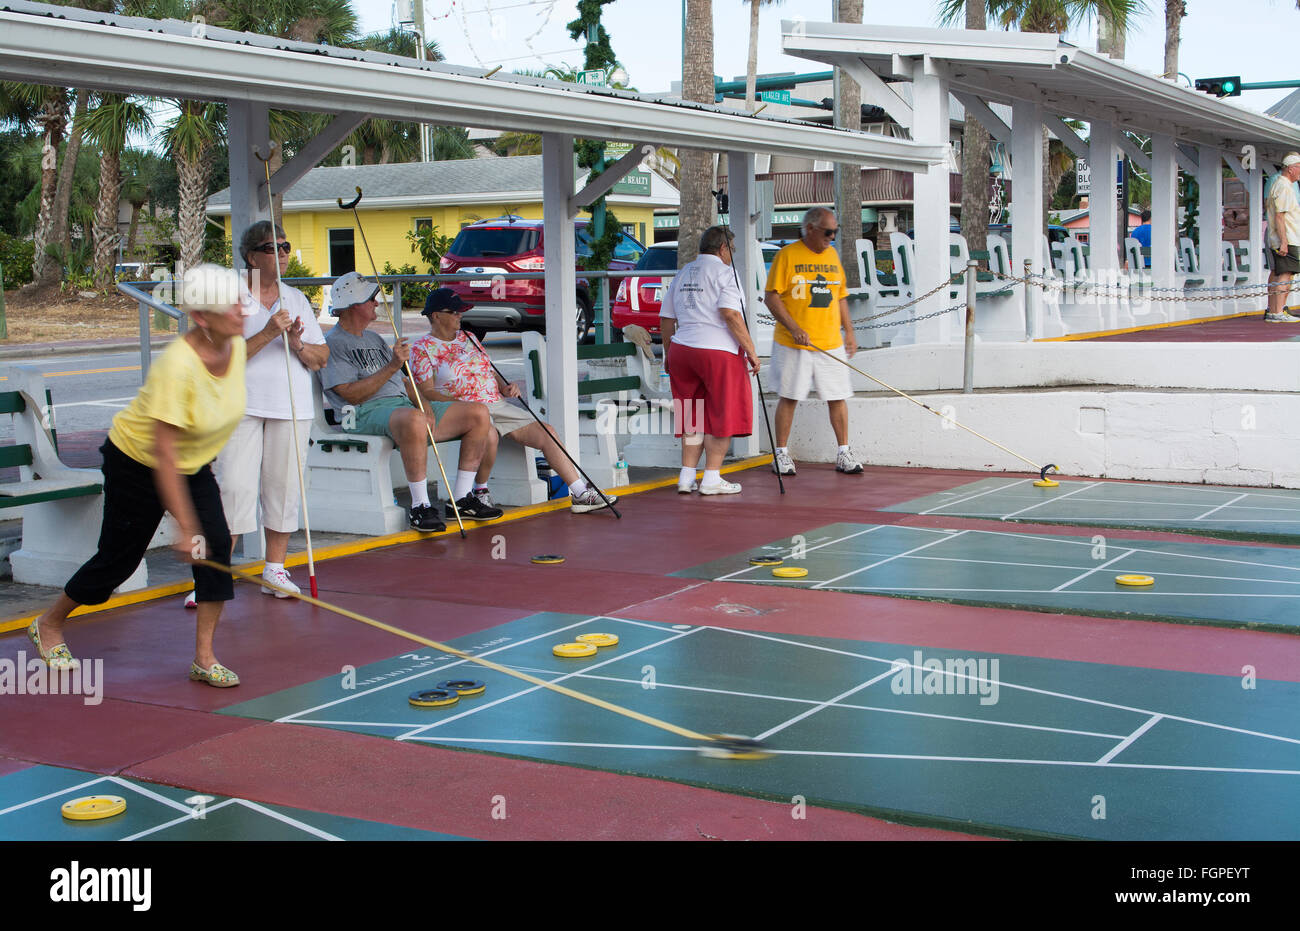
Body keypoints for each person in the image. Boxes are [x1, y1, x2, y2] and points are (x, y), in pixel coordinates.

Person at [29, 265, 248, 687]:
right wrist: (185, 528)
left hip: (193, 464)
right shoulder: (177, 368)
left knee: (216, 546)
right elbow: (162, 457)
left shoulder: (234, 345)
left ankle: (204, 657)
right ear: (201, 318)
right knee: (119, 560)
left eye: (241, 301)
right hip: (138, 462)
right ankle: (49, 623)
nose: (242, 311)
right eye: (230, 306)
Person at [186, 222, 328, 607]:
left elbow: (320, 358)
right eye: (273, 247)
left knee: (283, 489)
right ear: (251, 256)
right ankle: (214, 576)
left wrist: (297, 342)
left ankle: (275, 569)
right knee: (232, 488)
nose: (283, 253)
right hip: (240, 407)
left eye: (286, 245)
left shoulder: (295, 298)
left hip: (291, 407)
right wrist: (267, 333)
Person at [319, 272, 502, 530]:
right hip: (358, 413)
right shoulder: (334, 343)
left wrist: (422, 402)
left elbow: (405, 382)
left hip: (402, 409)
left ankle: (461, 498)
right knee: (415, 420)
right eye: (371, 298)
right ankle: (420, 506)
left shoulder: (373, 338)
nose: (376, 302)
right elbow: (350, 394)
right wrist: (393, 365)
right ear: (353, 305)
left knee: (478, 414)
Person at [410, 288, 618, 513]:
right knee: (488, 435)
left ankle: (580, 493)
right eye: (454, 312)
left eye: (461, 311)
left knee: (546, 432)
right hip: (464, 411)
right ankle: (480, 491)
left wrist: (505, 386)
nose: (460, 315)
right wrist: (464, 406)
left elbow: (488, 369)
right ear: (435, 315)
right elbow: (426, 391)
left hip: (497, 405)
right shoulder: (421, 348)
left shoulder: (468, 338)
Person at [658, 226, 760, 495]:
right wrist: (750, 349)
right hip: (717, 351)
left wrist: (668, 353)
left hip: (682, 349)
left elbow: (666, 319)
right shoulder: (727, 273)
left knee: (692, 413)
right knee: (721, 413)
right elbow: (730, 313)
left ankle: (687, 475)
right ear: (723, 249)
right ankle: (712, 476)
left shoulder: (683, 273)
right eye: (732, 249)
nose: (732, 255)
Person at [763, 206, 863, 476]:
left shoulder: (832, 255)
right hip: (794, 343)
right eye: (828, 232)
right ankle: (781, 454)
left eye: (835, 232)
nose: (831, 237)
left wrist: (849, 332)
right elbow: (771, 297)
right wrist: (793, 327)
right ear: (810, 229)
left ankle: (844, 452)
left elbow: (840, 295)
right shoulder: (787, 255)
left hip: (829, 342)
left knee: (838, 396)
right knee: (790, 396)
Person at [1265, 153, 1300, 323]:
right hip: (1287, 237)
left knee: (1279, 273)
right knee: (1285, 273)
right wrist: (1284, 242)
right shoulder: (1284, 187)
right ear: (1291, 168)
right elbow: (1280, 216)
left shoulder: (1279, 184)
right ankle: (1278, 311)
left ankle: (1274, 310)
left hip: (1283, 237)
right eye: (1299, 167)